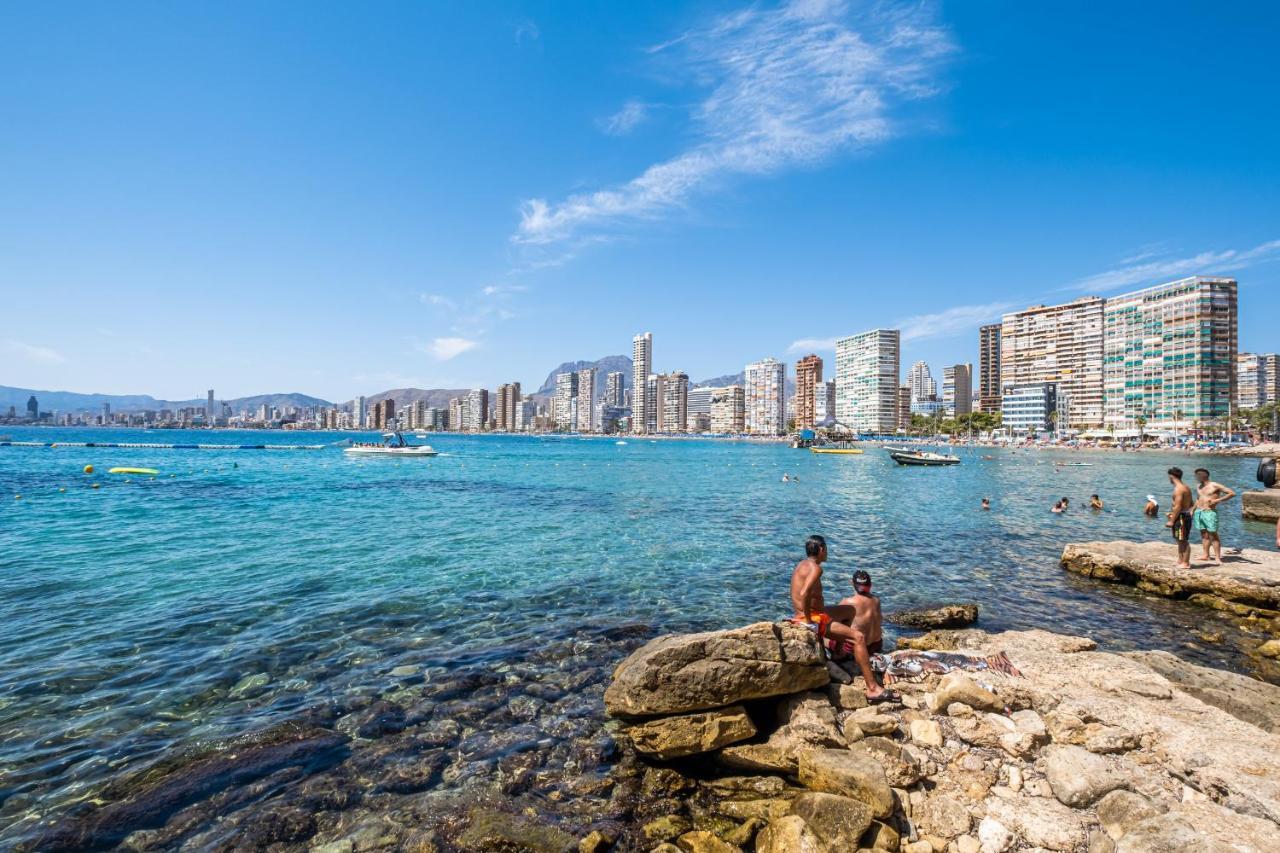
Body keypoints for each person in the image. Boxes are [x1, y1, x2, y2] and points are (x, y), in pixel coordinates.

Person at [790, 536, 889, 701]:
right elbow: (804, 593)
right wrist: (808, 621)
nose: (827, 552)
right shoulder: (816, 568)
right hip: (812, 617)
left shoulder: (802, 564)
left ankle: (838, 654)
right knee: (858, 637)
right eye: (826, 549)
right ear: (822, 549)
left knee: (850, 611)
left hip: (812, 612)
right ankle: (872, 688)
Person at [1193, 468, 1236, 565]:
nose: (1195, 478)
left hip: (1210, 512)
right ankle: (1205, 555)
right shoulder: (1199, 486)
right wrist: (1192, 510)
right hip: (1199, 512)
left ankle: (1217, 558)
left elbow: (1232, 493)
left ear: (1202, 475)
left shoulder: (1215, 485)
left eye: (1196, 475)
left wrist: (1217, 501)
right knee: (1204, 534)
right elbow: (1198, 498)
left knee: (1213, 534)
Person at [837, 570, 884, 655]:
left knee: (828, 631)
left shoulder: (847, 602)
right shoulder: (877, 600)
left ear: (851, 583)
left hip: (858, 648)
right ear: (870, 584)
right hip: (877, 646)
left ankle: (836, 658)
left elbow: (833, 621)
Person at [1166, 467, 1194, 569]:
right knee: (1179, 539)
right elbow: (1191, 503)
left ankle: (1186, 563)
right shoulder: (1186, 487)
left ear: (1171, 476)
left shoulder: (1179, 489)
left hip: (1181, 517)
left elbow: (1178, 506)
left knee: (1183, 540)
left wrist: (1171, 520)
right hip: (1183, 515)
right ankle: (1180, 560)